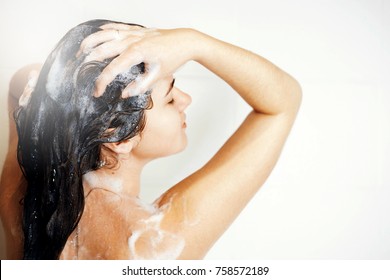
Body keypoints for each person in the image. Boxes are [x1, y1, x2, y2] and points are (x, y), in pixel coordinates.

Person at [0, 19, 301, 260]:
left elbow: (19, 85)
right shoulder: (157, 243)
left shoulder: (24, 201)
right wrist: (194, 41)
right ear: (117, 137)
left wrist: (69, 91)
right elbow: (281, 103)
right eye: (170, 97)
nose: (186, 99)